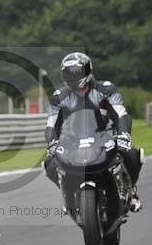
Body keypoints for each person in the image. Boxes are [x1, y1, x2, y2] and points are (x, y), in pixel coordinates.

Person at [42, 52, 143, 212]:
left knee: (132, 154)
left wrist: (123, 135)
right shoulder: (59, 97)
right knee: (49, 163)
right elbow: (51, 125)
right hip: (73, 141)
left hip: (105, 137)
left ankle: (131, 191)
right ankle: (68, 194)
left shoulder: (106, 89)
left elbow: (121, 115)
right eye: (68, 73)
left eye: (76, 73)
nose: (72, 77)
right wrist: (52, 142)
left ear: (87, 71)